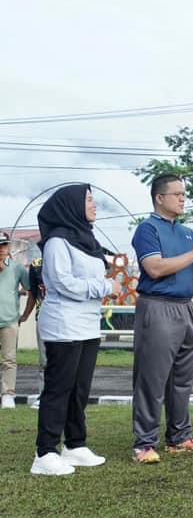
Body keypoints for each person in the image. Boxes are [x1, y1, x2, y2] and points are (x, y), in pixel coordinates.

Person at [131, 174, 193, 464]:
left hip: (185, 306)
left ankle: (179, 437)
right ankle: (144, 444)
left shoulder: (185, 232)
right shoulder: (147, 229)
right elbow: (155, 268)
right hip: (157, 306)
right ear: (160, 198)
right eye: (178, 194)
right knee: (152, 379)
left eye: (184, 194)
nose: (183, 198)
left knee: (182, 378)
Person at [31, 184, 120, 475]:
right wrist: (106, 286)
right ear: (71, 206)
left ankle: (75, 445)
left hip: (87, 325)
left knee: (80, 390)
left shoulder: (87, 240)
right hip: (63, 326)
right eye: (89, 200)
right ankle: (45, 452)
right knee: (59, 389)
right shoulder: (58, 241)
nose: (95, 206)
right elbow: (61, 283)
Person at [0, 232, 31, 409]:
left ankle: (7, 394)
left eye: (4, 245)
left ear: (9, 247)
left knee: (9, 359)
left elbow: (30, 288)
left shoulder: (17, 268)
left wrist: (25, 314)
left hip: (9, 320)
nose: (1, 249)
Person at [20, 258, 46, 409]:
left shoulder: (69, 260)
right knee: (44, 360)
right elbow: (33, 293)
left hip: (65, 318)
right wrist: (25, 315)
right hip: (42, 316)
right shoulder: (36, 265)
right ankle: (43, 395)